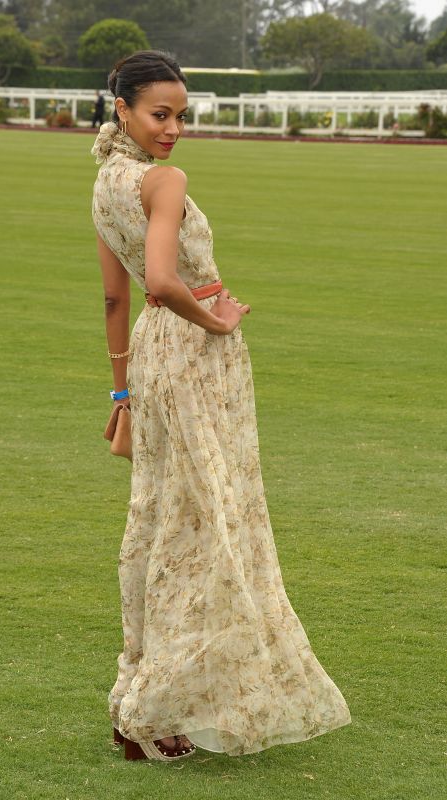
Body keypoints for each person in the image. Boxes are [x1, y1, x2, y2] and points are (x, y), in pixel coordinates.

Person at [91, 50, 352, 762]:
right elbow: (162, 281)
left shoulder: (105, 182)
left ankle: (139, 699)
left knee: (164, 517)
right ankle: (155, 711)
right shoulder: (163, 180)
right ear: (122, 109)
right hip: (195, 354)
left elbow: (115, 297)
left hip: (151, 358)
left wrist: (122, 389)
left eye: (181, 115)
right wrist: (217, 321)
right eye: (160, 114)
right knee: (205, 525)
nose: (173, 129)